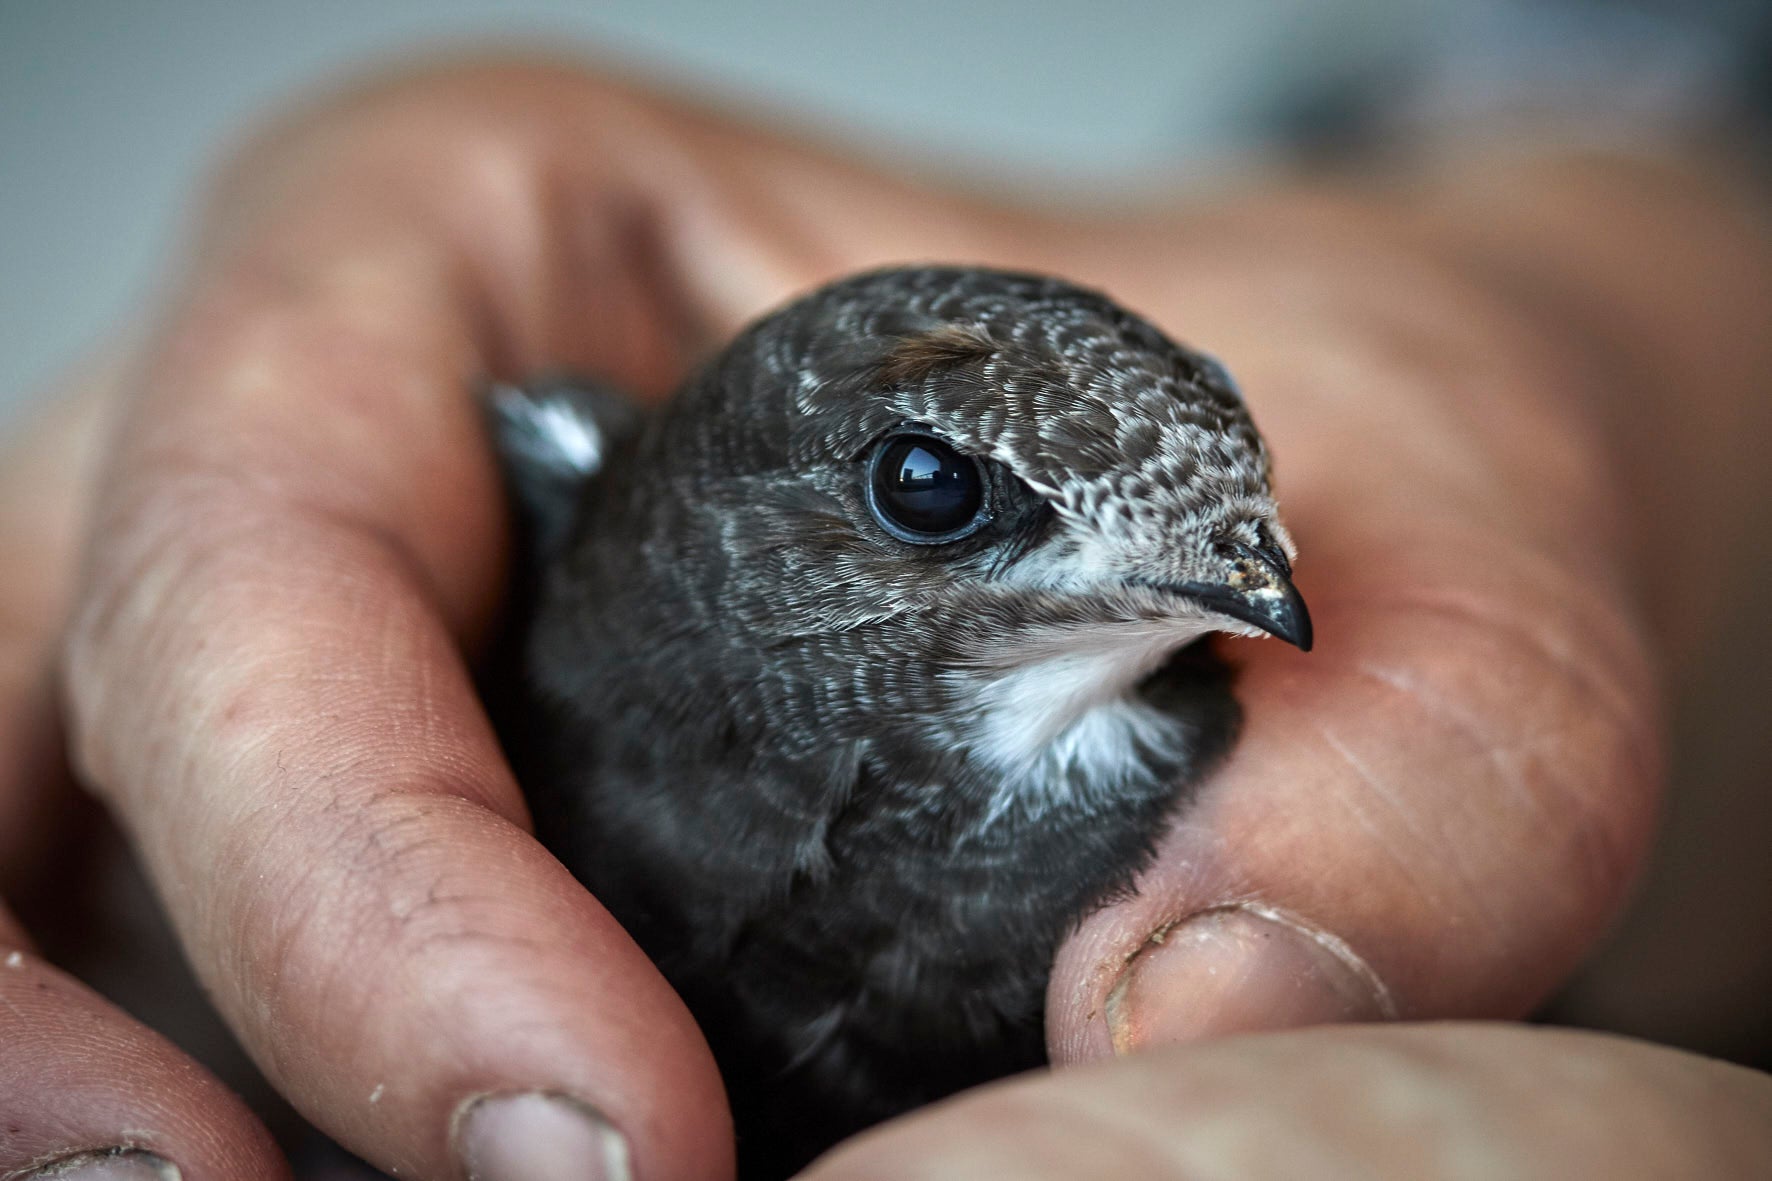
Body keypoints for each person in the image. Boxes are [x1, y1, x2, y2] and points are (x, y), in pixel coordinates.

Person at [1, 56, 1769, 1180]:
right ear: (747, 528)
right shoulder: (533, 541)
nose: (1243, 588)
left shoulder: (1223, 817)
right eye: (940, 495)